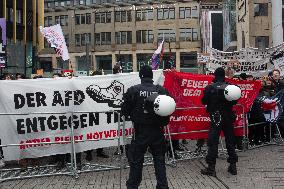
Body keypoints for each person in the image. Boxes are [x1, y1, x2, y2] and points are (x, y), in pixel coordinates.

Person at [121, 65, 170, 189]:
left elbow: (124, 111)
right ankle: (163, 186)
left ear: (140, 76)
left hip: (140, 131)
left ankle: (133, 186)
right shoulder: (161, 90)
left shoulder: (134, 90)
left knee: (136, 161)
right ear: (152, 77)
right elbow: (169, 109)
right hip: (157, 132)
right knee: (159, 161)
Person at [201, 67, 238, 176]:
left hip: (216, 117)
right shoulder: (230, 87)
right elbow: (235, 101)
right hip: (228, 117)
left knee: (213, 142)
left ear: (215, 75)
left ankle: (211, 168)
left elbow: (204, 101)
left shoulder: (210, 87)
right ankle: (233, 166)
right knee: (230, 141)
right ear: (224, 75)